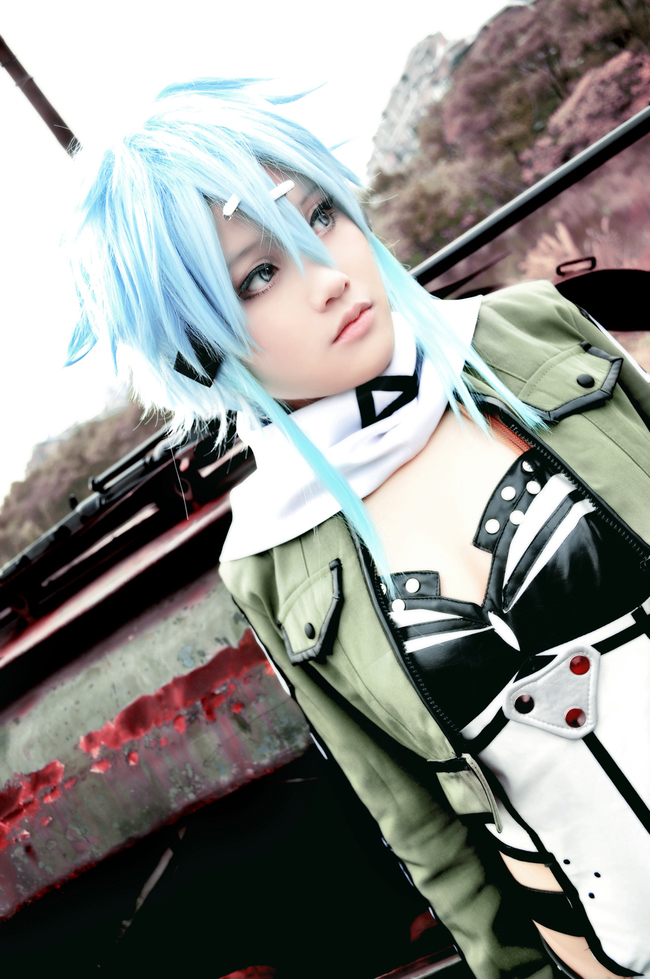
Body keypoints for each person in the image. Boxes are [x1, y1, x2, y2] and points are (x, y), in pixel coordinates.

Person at [65, 78, 650, 979]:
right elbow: (429, 837)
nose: (330, 278)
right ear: (198, 348)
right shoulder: (271, 560)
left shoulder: (527, 334)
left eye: (322, 216)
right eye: (260, 275)